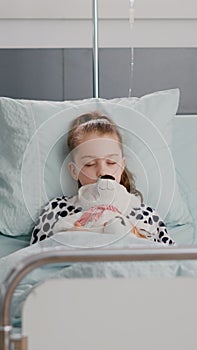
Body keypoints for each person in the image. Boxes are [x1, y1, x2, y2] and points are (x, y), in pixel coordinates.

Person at [30, 111, 175, 245]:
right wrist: (69, 240)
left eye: (111, 162)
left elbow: (168, 259)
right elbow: (34, 258)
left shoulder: (143, 213)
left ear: (122, 165)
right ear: (74, 171)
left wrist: (134, 236)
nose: (102, 171)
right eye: (90, 164)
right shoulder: (57, 209)